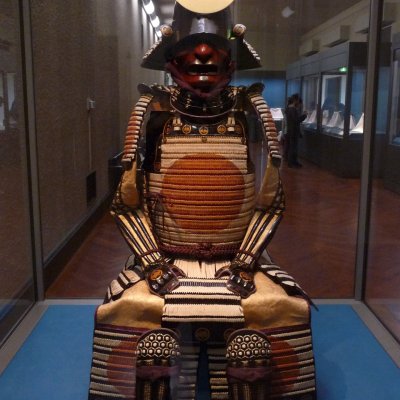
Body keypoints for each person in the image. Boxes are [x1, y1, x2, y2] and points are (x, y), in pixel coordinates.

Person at [87, 2, 316, 399]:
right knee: (135, 322)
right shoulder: (151, 111)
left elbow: (270, 202)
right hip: (163, 256)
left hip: (239, 256)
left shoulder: (251, 110)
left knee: (278, 313)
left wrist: (246, 261)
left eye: (213, 46)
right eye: (192, 46)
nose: (204, 53)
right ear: (171, 58)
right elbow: (127, 203)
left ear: (231, 58)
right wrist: (152, 263)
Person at [285, 93, 307, 168]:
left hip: (291, 130)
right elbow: (296, 120)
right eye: (297, 100)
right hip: (293, 131)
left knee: (293, 147)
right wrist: (304, 116)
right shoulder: (292, 109)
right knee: (293, 147)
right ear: (295, 100)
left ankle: (293, 161)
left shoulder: (289, 108)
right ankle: (291, 162)